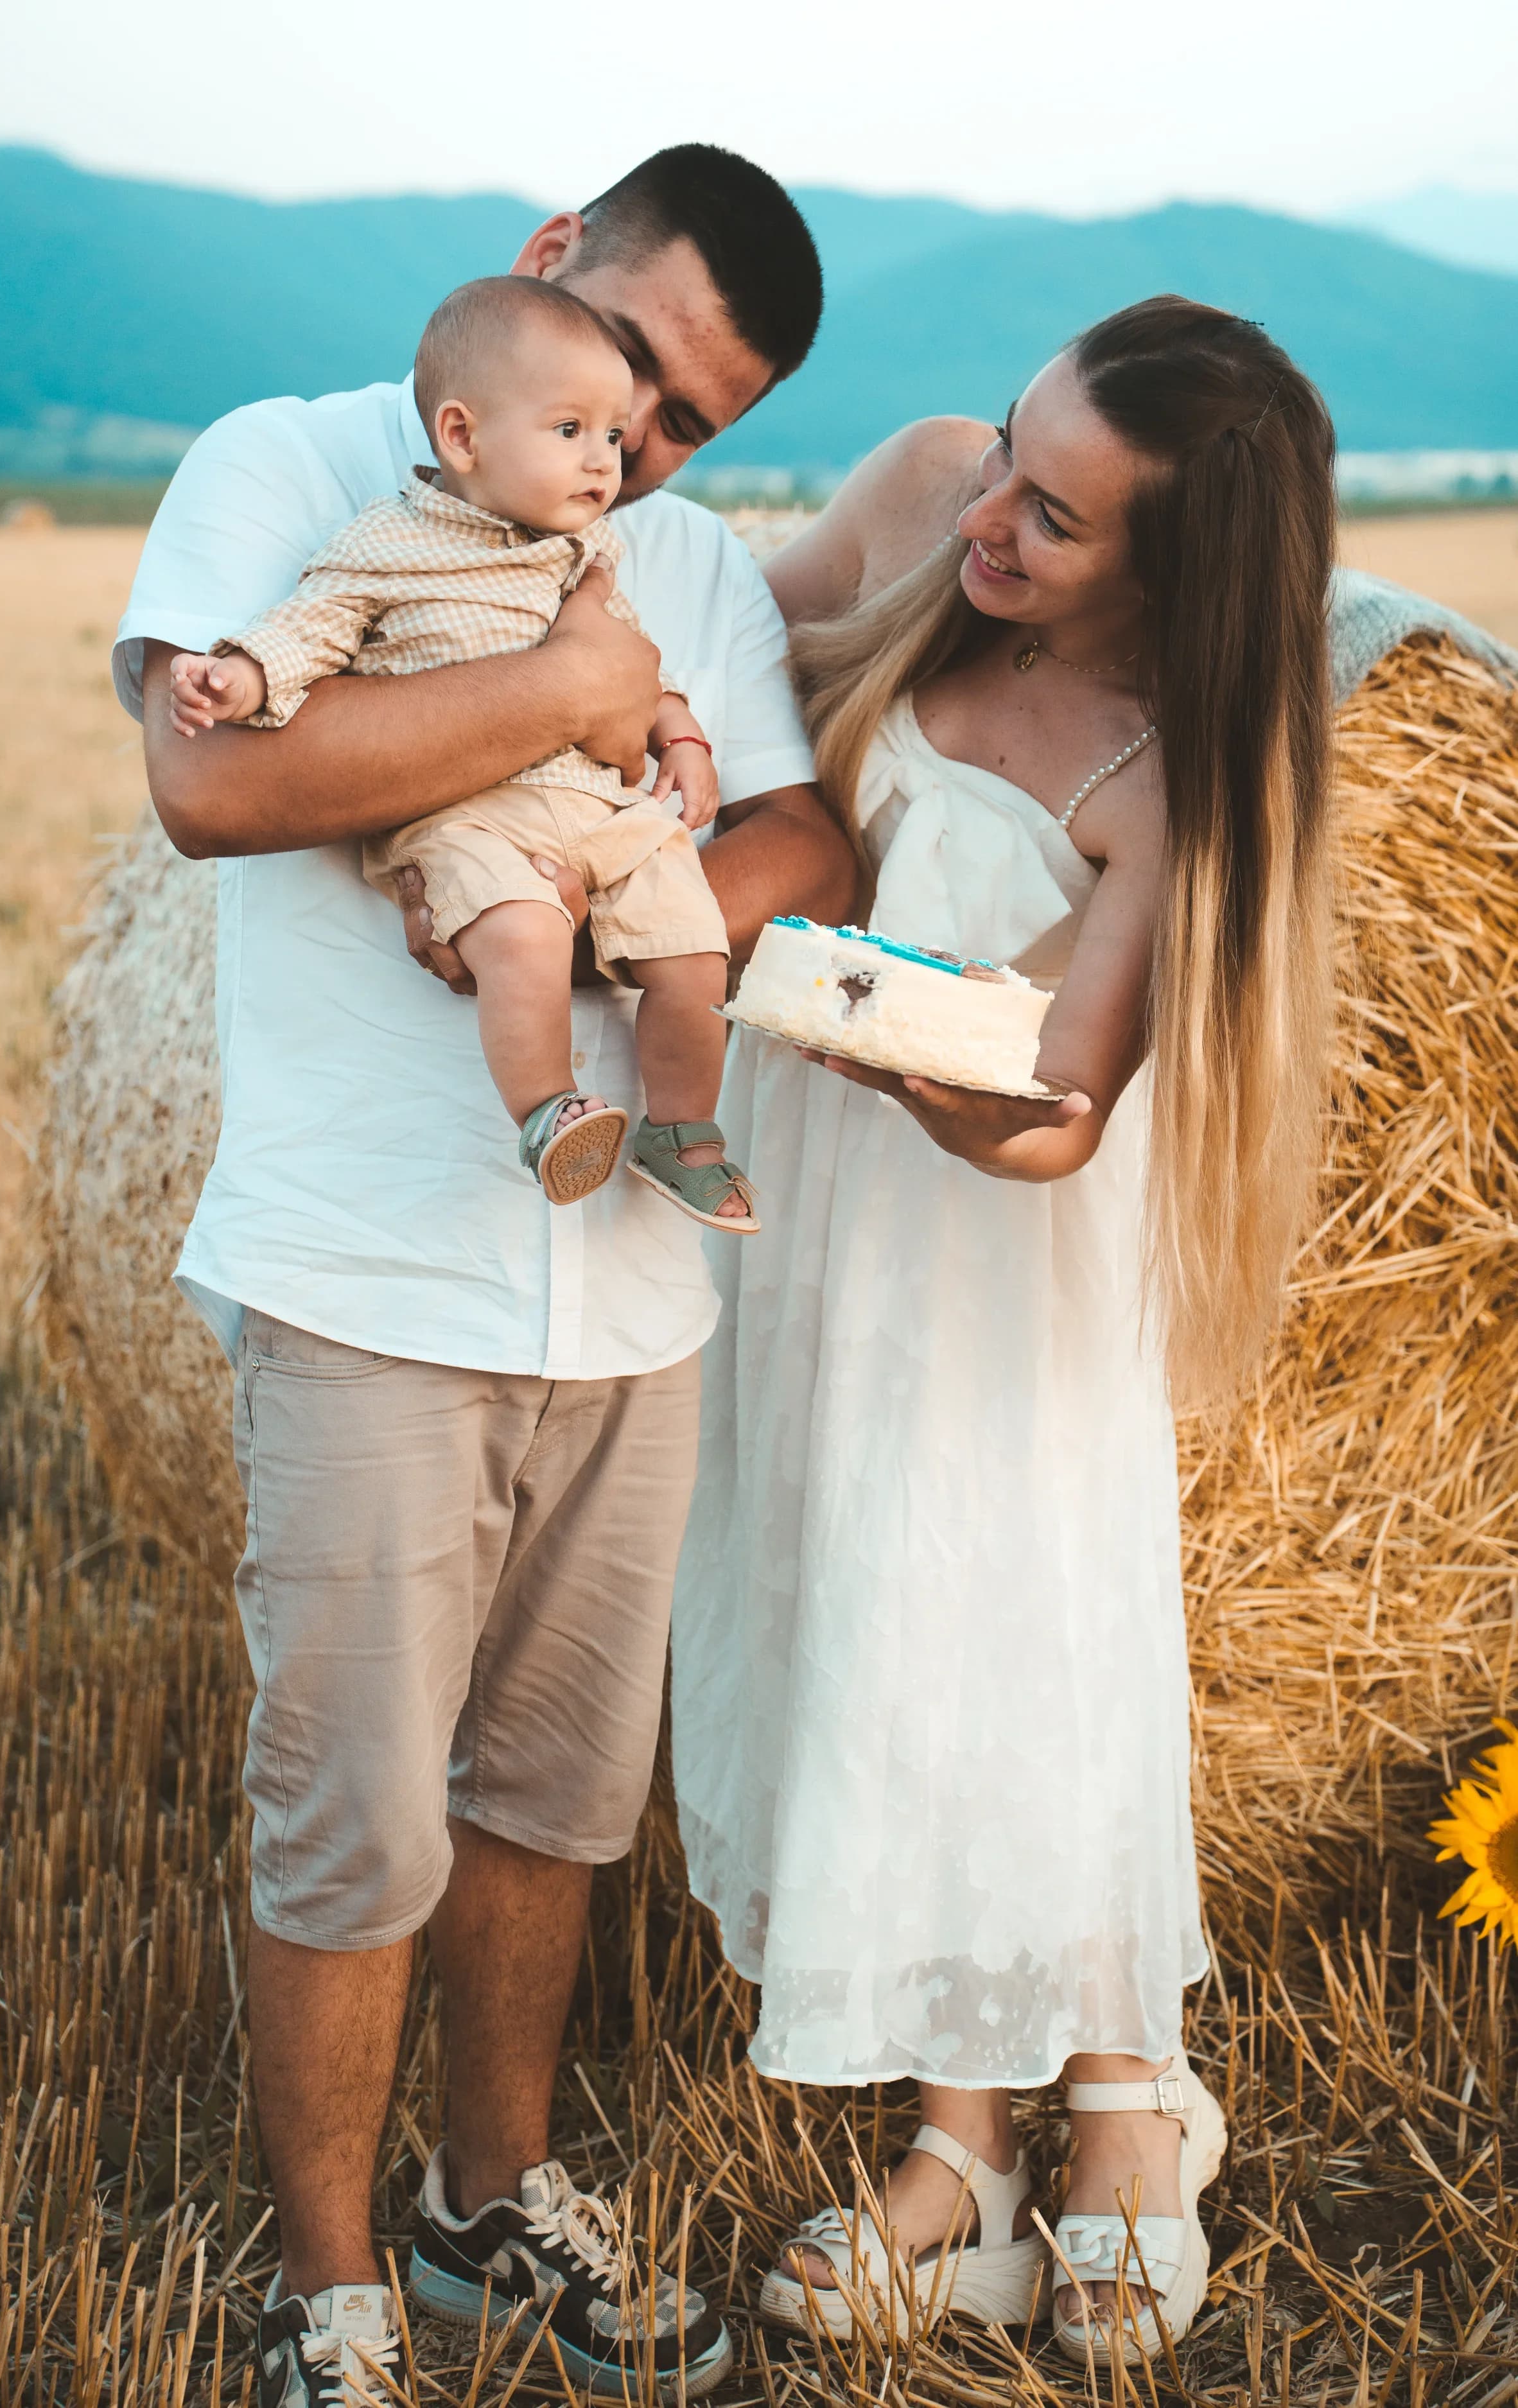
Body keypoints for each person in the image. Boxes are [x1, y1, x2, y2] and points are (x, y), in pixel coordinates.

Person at [115, 144, 854, 2405]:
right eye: (633, 365)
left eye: (699, 424)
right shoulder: (296, 469)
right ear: (554, 266)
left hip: (633, 1288)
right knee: (351, 1802)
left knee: (551, 1797)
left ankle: (485, 2206)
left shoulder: (689, 557)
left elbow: (803, 831)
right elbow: (219, 781)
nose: (645, 437)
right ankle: (326, 2273)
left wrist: (629, 870)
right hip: (369, 1275)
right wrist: (577, 696)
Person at [671, 297, 1336, 2368]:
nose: (992, 520)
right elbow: (687, 647)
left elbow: (1052, 1112)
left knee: (1022, 1629)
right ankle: (958, 2148)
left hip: (986, 1243)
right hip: (808, 1231)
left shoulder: (1174, 764)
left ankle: (1127, 2087)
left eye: (1055, 518)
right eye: (1008, 462)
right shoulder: (926, 498)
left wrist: (911, 1064)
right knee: (867, 1627)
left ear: (1173, 570)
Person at [168, 276, 756, 1228]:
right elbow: (309, 630)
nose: (608, 458)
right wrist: (236, 677)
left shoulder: (581, 556)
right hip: (469, 817)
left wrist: (677, 732)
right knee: (522, 935)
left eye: (614, 436)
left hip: (597, 810)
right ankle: (547, 1111)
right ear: (462, 435)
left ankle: (680, 1132)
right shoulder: (387, 542)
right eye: (572, 429)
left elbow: (635, 667)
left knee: (694, 948)